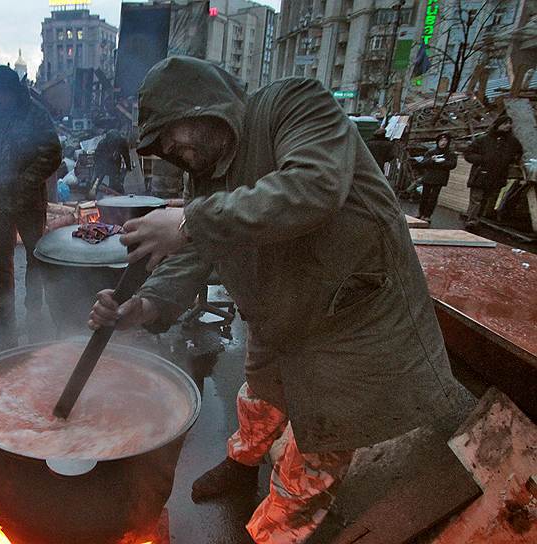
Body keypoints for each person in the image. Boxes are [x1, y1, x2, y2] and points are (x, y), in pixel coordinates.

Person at [88, 57, 464, 544]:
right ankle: (241, 465)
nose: (168, 150)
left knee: (317, 448)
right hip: (278, 315)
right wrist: (146, 306)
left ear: (205, 107)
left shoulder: (294, 105)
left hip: (348, 318)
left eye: (170, 134)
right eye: (159, 145)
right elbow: (198, 250)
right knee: (260, 397)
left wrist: (187, 222)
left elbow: (311, 188)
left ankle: (273, 531)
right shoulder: (204, 172)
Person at [0, 65, 62, 319]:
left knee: (35, 256)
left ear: (12, 91)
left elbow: (52, 152)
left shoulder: (35, 113)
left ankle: (34, 306)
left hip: (28, 199)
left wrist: (25, 181)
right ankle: (4, 303)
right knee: (1, 255)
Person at [463, 115, 522, 228]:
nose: (507, 126)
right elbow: (468, 154)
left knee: (486, 199)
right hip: (481, 173)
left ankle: (478, 219)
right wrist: (482, 160)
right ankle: (472, 220)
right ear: (498, 124)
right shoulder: (483, 139)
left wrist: (512, 161)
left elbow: (518, 153)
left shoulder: (512, 142)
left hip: (497, 175)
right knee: (476, 199)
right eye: (505, 123)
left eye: (509, 124)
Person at [416, 132, 457, 222]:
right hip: (429, 177)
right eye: (441, 140)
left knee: (433, 197)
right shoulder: (431, 152)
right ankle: (421, 212)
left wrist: (443, 162)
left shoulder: (450, 154)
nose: (443, 142)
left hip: (440, 178)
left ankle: (427, 215)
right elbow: (422, 164)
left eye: (445, 140)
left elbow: (453, 165)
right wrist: (431, 160)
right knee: (424, 196)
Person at [92, 129, 132, 197]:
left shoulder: (122, 142)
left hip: (115, 162)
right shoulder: (102, 143)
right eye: (111, 142)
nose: (113, 143)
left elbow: (126, 156)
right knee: (98, 178)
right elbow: (96, 157)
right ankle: (92, 192)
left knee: (114, 178)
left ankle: (114, 194)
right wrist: (99, 166)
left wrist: (129, 167)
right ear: (108, 139)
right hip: (103, 161)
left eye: (115, 142)